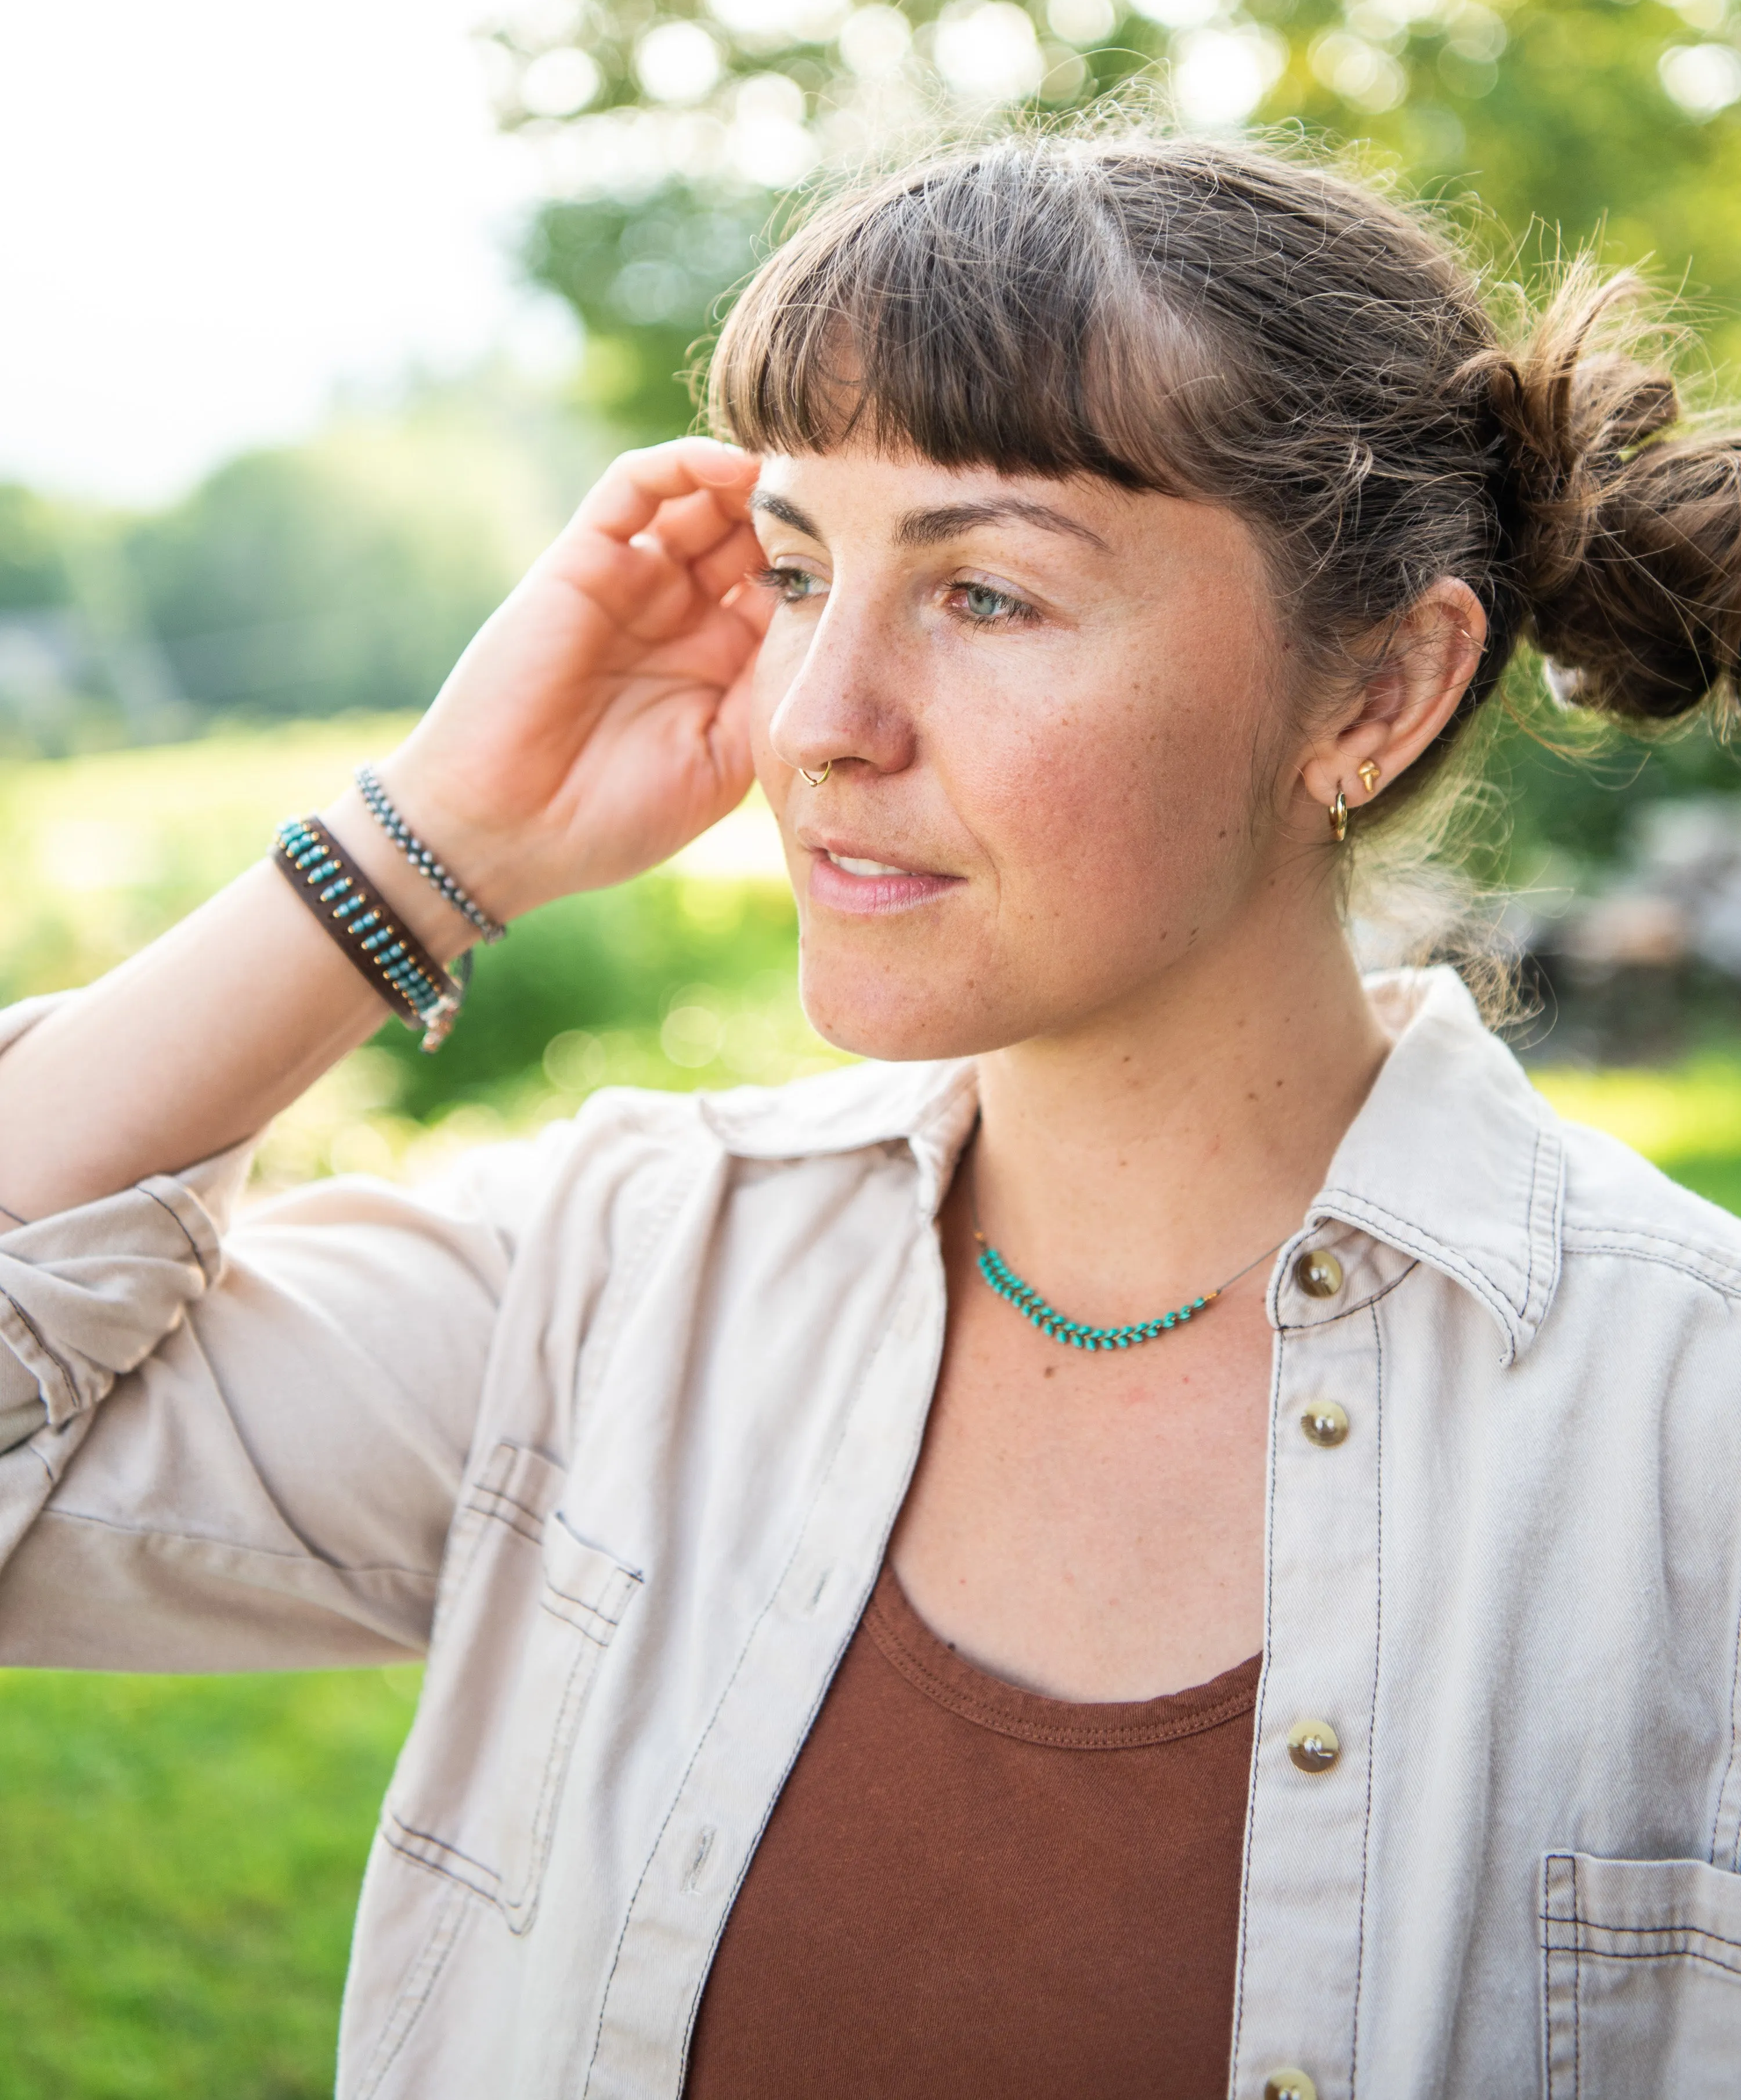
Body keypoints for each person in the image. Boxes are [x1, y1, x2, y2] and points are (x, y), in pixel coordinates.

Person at [3, 133, 1741, 2100]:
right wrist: (424, 850)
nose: (821, 717)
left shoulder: (1688, 1443)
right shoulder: (612, 1279)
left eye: (986, 593)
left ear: (1382, 692)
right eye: (798, 570)